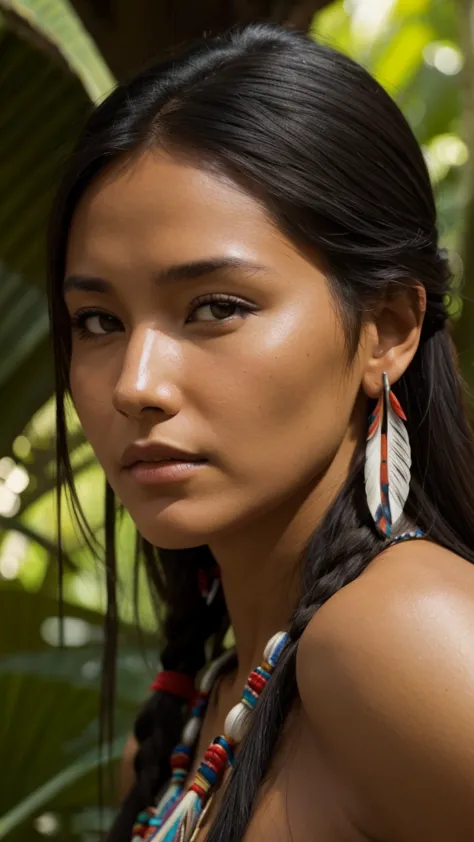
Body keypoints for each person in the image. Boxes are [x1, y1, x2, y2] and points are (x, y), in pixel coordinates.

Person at [48, 22, 474, 842]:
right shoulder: (199, 718)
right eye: (97, 320)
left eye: (216, 308)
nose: (136, 384)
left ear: (385, 329)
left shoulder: (397, 638)